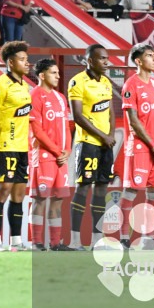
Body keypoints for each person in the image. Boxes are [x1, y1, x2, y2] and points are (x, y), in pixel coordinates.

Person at [67, 45, 116, 251]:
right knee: (84, 187)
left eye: (107, 58)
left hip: (106, 144)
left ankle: (97, 240)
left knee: (102, 188)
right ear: (89, 61)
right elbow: (77, 116)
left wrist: (111, 135)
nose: (106, 62)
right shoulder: (77, 82)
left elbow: (111, 111)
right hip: (87, 143)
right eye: (102, 59)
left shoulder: (106, 82)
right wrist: (103, 136)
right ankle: (75, 240)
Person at [119, 44, 154, 250]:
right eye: (149, 56)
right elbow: (134, 121)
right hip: (140, 148)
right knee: (131, 191)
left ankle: (148, 237)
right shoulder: (131, 85)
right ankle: (123, 238)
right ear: (138, 61)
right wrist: (152, 143)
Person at [0, 41, 32, 251]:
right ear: (11, 63)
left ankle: (16, 240)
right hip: (4, 146)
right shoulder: (0, 84)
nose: (27, 63)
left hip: (22, 147)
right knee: (2, 190)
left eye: (27, 59)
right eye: (22, 60)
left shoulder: (24, 85)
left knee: (19, 194)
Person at [27, 59, 71, 251]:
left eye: (58, 73)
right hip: (44, 156)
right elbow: (37, 130)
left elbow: (67, 128)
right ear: (42, 75)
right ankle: (37, 242)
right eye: (54, 73)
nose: (58, 76)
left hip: (61, 158)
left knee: (57, 200)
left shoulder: (61, 97)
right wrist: (56, 151)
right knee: (40, 199)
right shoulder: (34, 96)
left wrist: (67, 150)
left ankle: (55, 243)